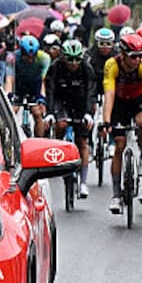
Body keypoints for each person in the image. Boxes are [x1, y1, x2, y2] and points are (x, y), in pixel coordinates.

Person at [101, 32, 142, 215]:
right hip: (119, 103)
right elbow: (108, 95)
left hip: (137, 101)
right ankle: (116, 195)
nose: (138, 60)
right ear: (123, 54)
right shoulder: (112, 65)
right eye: (134, 56)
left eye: (141, 55)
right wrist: (106, 121)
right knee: (119, 144)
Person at [44, 39, 99, 198]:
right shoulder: (55, 67)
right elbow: (51, 90)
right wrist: (50, 113)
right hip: (62, 102)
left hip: (81, 102)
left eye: (77, 60)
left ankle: (83, 182)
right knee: (61, 125)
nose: (73, 63)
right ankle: (59, 150)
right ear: (63, 57)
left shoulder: (86, 68)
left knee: (82, 141)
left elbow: (90, 92)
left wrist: (88, 113)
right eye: (70, 59)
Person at [7, 34, 50, 136]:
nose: (30, 60)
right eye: (27, 57)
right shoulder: (12, 57)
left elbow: (43, 80)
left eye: (33, 57)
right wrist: (8, 94)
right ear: (21, 52)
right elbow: (9, 79)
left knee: (37, 113)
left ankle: (39, 142)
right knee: (12, 112)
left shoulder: (44, 58)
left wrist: (42, 98)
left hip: (35, 85)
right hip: (19, 85)